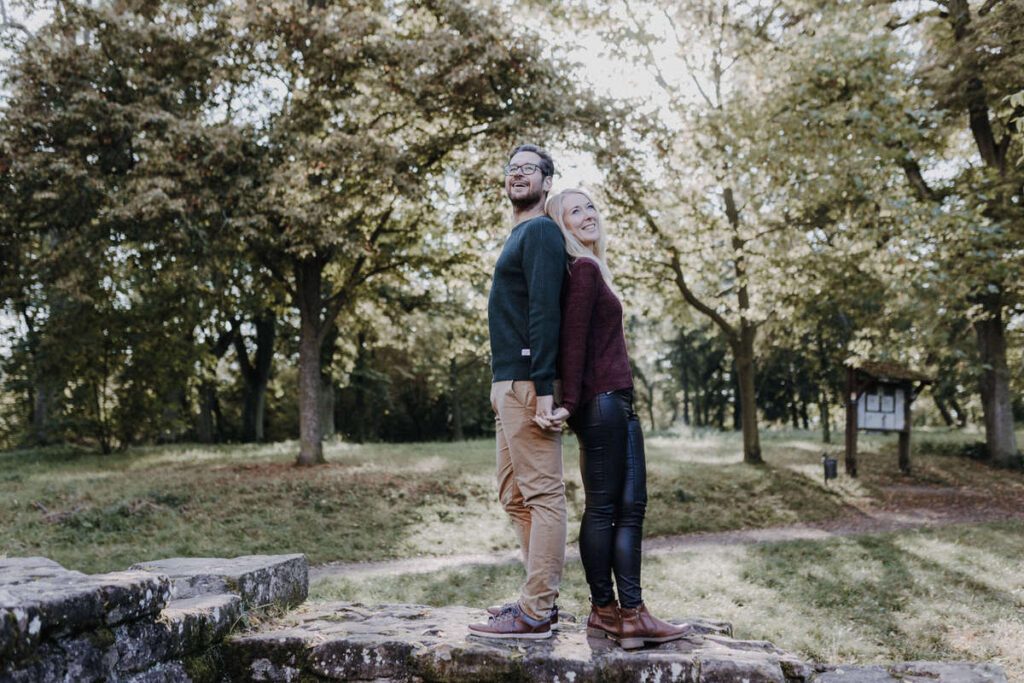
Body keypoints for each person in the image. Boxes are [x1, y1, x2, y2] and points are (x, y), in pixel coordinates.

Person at [545, 188, 689, 650]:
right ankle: (608, 611)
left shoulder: (591, 267)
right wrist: (568, 402)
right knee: (607, 509)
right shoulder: (583, 269)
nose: (587, 215)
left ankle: (630, 615)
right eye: (574, 211)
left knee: (631, 507)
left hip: (617, 401)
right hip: (601, 402)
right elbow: (573, 341)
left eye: (589, 207)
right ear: (561, 224)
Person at [467, 144, 567, 640]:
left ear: (547, 183)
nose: (518, 175)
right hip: (508, 382)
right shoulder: (520, 234)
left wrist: (544, 388)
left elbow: (546, 311)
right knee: (513, 494)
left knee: (544, 494)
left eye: (530, 169)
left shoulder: (543, 230)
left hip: (529, 382)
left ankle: (536, 611)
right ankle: (537, 595)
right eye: (512, 169)